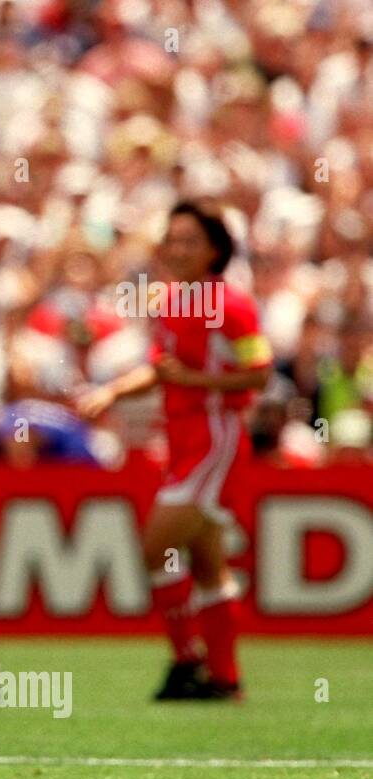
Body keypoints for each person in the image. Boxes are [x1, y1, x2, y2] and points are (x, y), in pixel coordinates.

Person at [78, 200, 272, 700]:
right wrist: (113, 392)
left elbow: (261, 371)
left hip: (214, 436)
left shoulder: (232, 304)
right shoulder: (171, 300)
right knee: (206, 562)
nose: (177, 249)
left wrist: (197, 380)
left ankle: (188, 659)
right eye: (172, 239)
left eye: (190, 241)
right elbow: (161, 369)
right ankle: (224, 678)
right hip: (183, 436)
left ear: (215, 250)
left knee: (154, 548)